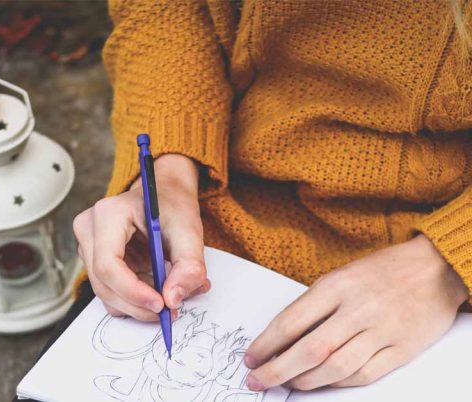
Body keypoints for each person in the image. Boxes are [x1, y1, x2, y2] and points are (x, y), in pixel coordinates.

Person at [72, 0, 471, 392]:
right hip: (213, 204)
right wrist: (170, 165)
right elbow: (164, 11)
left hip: (436, 266)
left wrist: (446, 266)